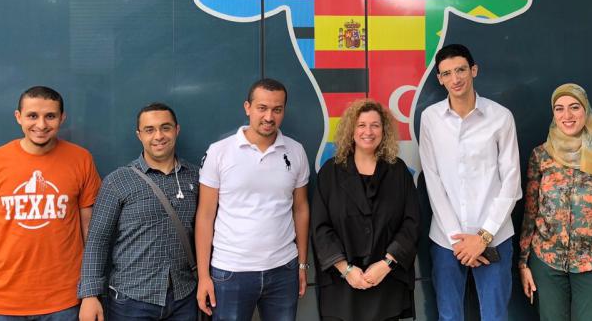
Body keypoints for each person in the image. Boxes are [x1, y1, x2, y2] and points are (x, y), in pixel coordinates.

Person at [0, 86, 102, 320]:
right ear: (18, 117)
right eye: (32, 116)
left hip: (64, 301)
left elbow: (91, 231)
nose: (41, 125)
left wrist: (91, 293)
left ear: (62, 118)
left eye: (50, 116)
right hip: (2, 302)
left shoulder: (81, 159)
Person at [419, 43, 521, 321]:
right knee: (449, 317)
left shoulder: (501, 117)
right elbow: (433, 180)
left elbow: (511, 182)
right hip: (446, 240)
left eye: (461, 70)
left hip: (495, 237)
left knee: (495, 317)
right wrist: (459, 242)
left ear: (473, 70)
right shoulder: (430, 119)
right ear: (439, 79)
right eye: (447, 73)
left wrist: (483, 237)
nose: (456, 79)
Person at [195, 78, 310, 321]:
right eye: (262, 108)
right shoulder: (219, 151)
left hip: (283, 269)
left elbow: (301, 209)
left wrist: (301, 264)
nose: (269, 117)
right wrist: (204, 276)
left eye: (277, 110)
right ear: (247, 107)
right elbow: (205, 215)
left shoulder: (296, 151)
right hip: (230, 272)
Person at [518, 83, 592, 321]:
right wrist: (523, 263)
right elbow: (530, 212)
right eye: (559, 109)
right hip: (547, 262)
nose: (567, 116)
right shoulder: (541, 156)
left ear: (586, 111)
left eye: (574, 107)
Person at [78, 103, 200, 321]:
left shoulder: (195, 177)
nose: (159, 136)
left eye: (166, 127)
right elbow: (97, 240)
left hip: (184, 296)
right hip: (131, 299)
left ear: (177, 130)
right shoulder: (118, 181)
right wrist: (89, 295)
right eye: (150, 129)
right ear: (139, 135)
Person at [311, 99, 419, 321]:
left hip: (386, 283)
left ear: (384, 130)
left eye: (375, 125)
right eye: (361, 125)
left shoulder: (398, 171)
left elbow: (411, 224)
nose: (368, 132)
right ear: (351, 130)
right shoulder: (330, 173)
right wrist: (346, 270)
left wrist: (386, 264)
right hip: (342, 286)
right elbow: (320, 228)